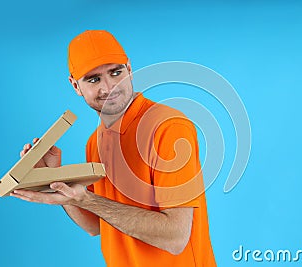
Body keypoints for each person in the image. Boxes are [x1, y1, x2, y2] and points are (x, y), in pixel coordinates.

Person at [11, 30, 217, 267]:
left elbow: (175, 236)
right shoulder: (95, 142)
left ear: (129, 69)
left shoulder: (167, 126)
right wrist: (55, 179)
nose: (108, 87)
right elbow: (95, 225)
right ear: (75, 86)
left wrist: (88, 200)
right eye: (93, 79)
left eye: (115, 73)